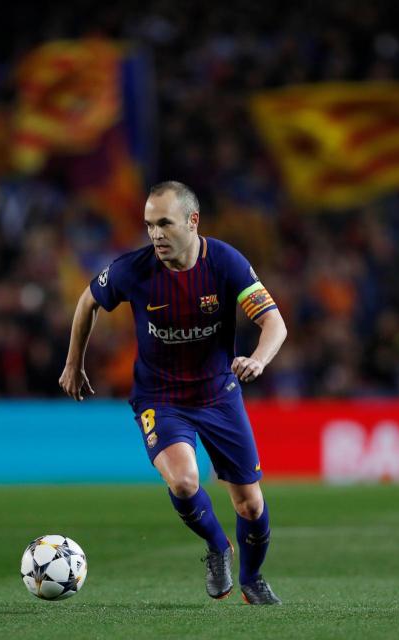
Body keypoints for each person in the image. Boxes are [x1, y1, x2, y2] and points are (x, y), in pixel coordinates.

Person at [59, 181, 288, 604]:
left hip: (219, 395)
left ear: (192, 221)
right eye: (149, 225)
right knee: (184, 481)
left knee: (251, 506)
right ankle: (218, 547)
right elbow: (87, 302)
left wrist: (257, 358)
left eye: (164, 223)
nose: (155, 235)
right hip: (160, 398)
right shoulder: (134, 270)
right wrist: (74, 362)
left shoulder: (226, 262)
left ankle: (252, 579)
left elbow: (275, 323)